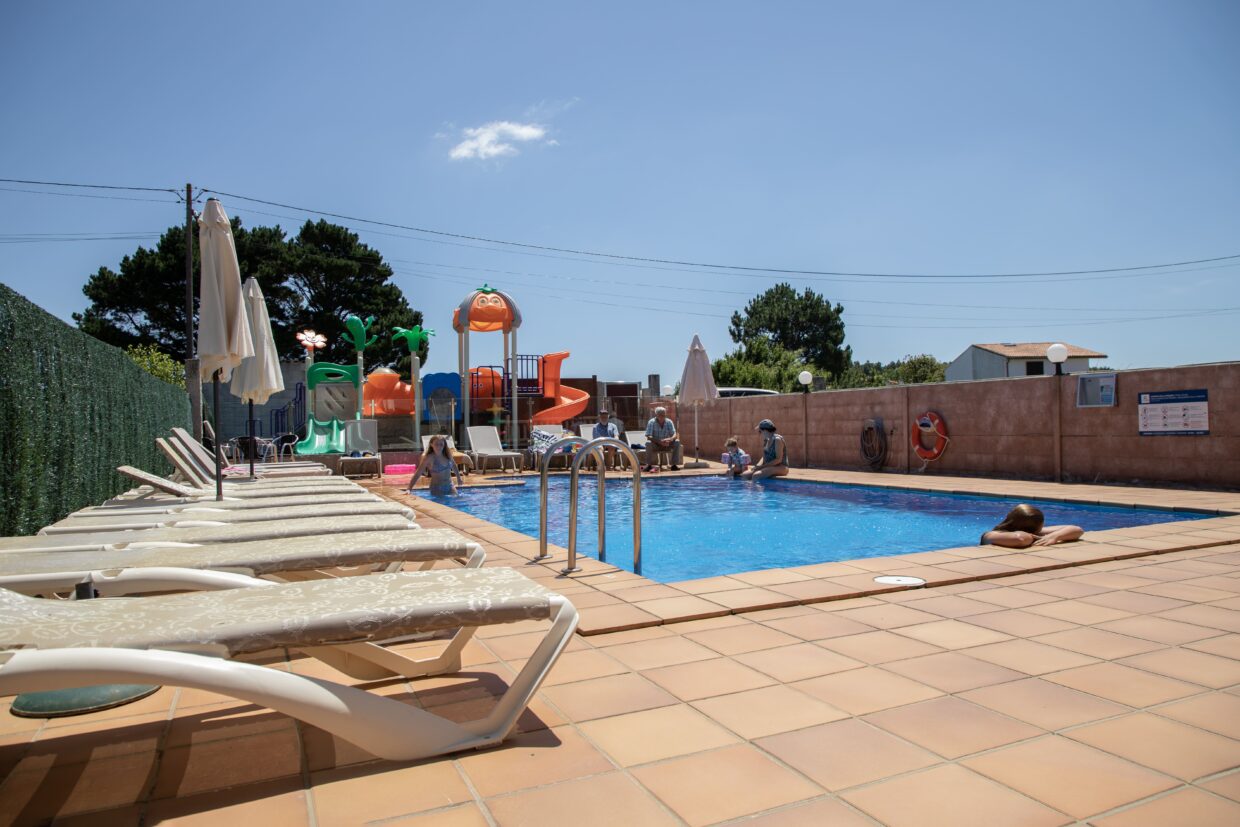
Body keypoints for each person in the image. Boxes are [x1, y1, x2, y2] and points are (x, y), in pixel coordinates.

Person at [981, 504, 1083, 548]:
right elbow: (1020, 539)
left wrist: (1054, 536)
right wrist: (1034, 537)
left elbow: (1077, 529)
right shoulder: (990, 535)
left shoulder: (1034, 533)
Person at [643, 406, 681, 472]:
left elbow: (674, 434)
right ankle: (649, 465)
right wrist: (659, 441)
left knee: (677, 442)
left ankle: (674, 465)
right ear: (656, 415)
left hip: (667, 444)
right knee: (648, 443)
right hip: (656, 444)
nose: (662, 417)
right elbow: (648, 436)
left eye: (663, 415)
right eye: (660, 415)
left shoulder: (669, 422)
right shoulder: (651, 422)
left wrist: (670, 439)